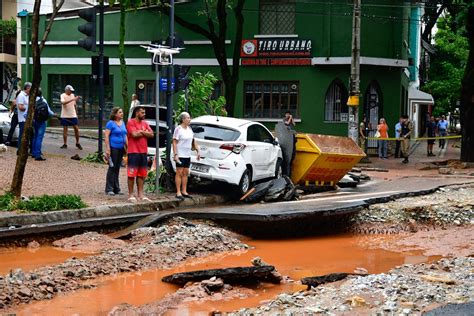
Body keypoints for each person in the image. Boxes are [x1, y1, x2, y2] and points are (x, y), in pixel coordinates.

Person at [126, 106, 154, 202]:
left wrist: (141, 132)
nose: (144, 114)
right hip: (133, 152)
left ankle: (141, 194)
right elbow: (134, 135)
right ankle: (130, 195)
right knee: (131, 174)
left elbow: (152, 134)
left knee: (142, 174)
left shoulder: (145, 123)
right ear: (137, 113)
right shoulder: (131, 122)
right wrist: (144, 132)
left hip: (143, 152)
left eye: (144, 112)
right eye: (142, 112)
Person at [173, 112, 201, 201]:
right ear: (183, 119)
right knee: (179, 172)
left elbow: (193, 140)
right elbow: (174, 142)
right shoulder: (178, 129)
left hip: (187, 154)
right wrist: (175, 154)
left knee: (186, 172)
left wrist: (198, 150)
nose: (189, 119)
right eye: (188, 118)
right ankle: (178, 192)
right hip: (180, 154)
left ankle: (184, 191)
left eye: (189, 118)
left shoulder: (189, 129)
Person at [104, 107, 128, 196]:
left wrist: (128, 147)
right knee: (112, 167)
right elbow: (106, 136)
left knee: (117, 167)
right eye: (120, 112)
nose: (122, 113)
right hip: (113, 147)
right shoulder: (110, 123)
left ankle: (116, 188)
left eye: (122, 112)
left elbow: (125, 136)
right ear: (115, 114)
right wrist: (108, 148)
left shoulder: (122, 123)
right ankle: (109, 188)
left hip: (121, 148)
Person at [31, 88, 55, 161]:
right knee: (39, 137)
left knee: (35, 136)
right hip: (42, 121)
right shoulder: (43, 100)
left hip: (34, 120)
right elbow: (49, 112)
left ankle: (33, 152)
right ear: (41, 93)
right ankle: (38, 155)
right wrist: (53, 115)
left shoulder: (31, 100)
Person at [60, 85, 82, 150]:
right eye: (70, 91)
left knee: (76, 128)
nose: (71, 92)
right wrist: (72, 99)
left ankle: (77, 143)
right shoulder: (62, 95)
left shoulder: (72, 95)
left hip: (72, 115)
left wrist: (76, 113)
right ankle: (65, 143)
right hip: (65, 115)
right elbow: (63, 103)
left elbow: (74, 105)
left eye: (72, 91)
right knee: (65, 129)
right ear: (66, 90)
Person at [16, 82, 32, 151]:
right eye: (31, 88)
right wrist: (29, 108)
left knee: (26, 136)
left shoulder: (27, 95)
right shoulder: (21, 95)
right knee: (22, 135)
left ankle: (23, 150)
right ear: (28, 88)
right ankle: (19, 150)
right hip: (23, 119)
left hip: (27, 119)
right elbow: (20, 107)